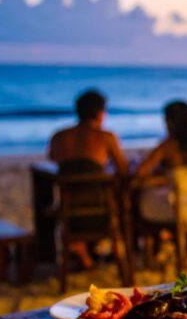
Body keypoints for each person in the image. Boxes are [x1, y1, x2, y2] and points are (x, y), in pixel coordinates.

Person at [48, 89, 128, 268]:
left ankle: (70, 251)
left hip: (67, 212)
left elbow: (53, 158)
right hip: (101, 212)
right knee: (125, 197)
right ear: (101, 113)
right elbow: (123, 170)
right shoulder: (106, 137)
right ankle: (118, 251)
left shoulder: (59, 136)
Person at [135, 100, 187, 225]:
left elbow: (140, 172)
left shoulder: (168, 146)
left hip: (180, 212)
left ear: (171, 122)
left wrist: (164, 178)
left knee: (141, 200)